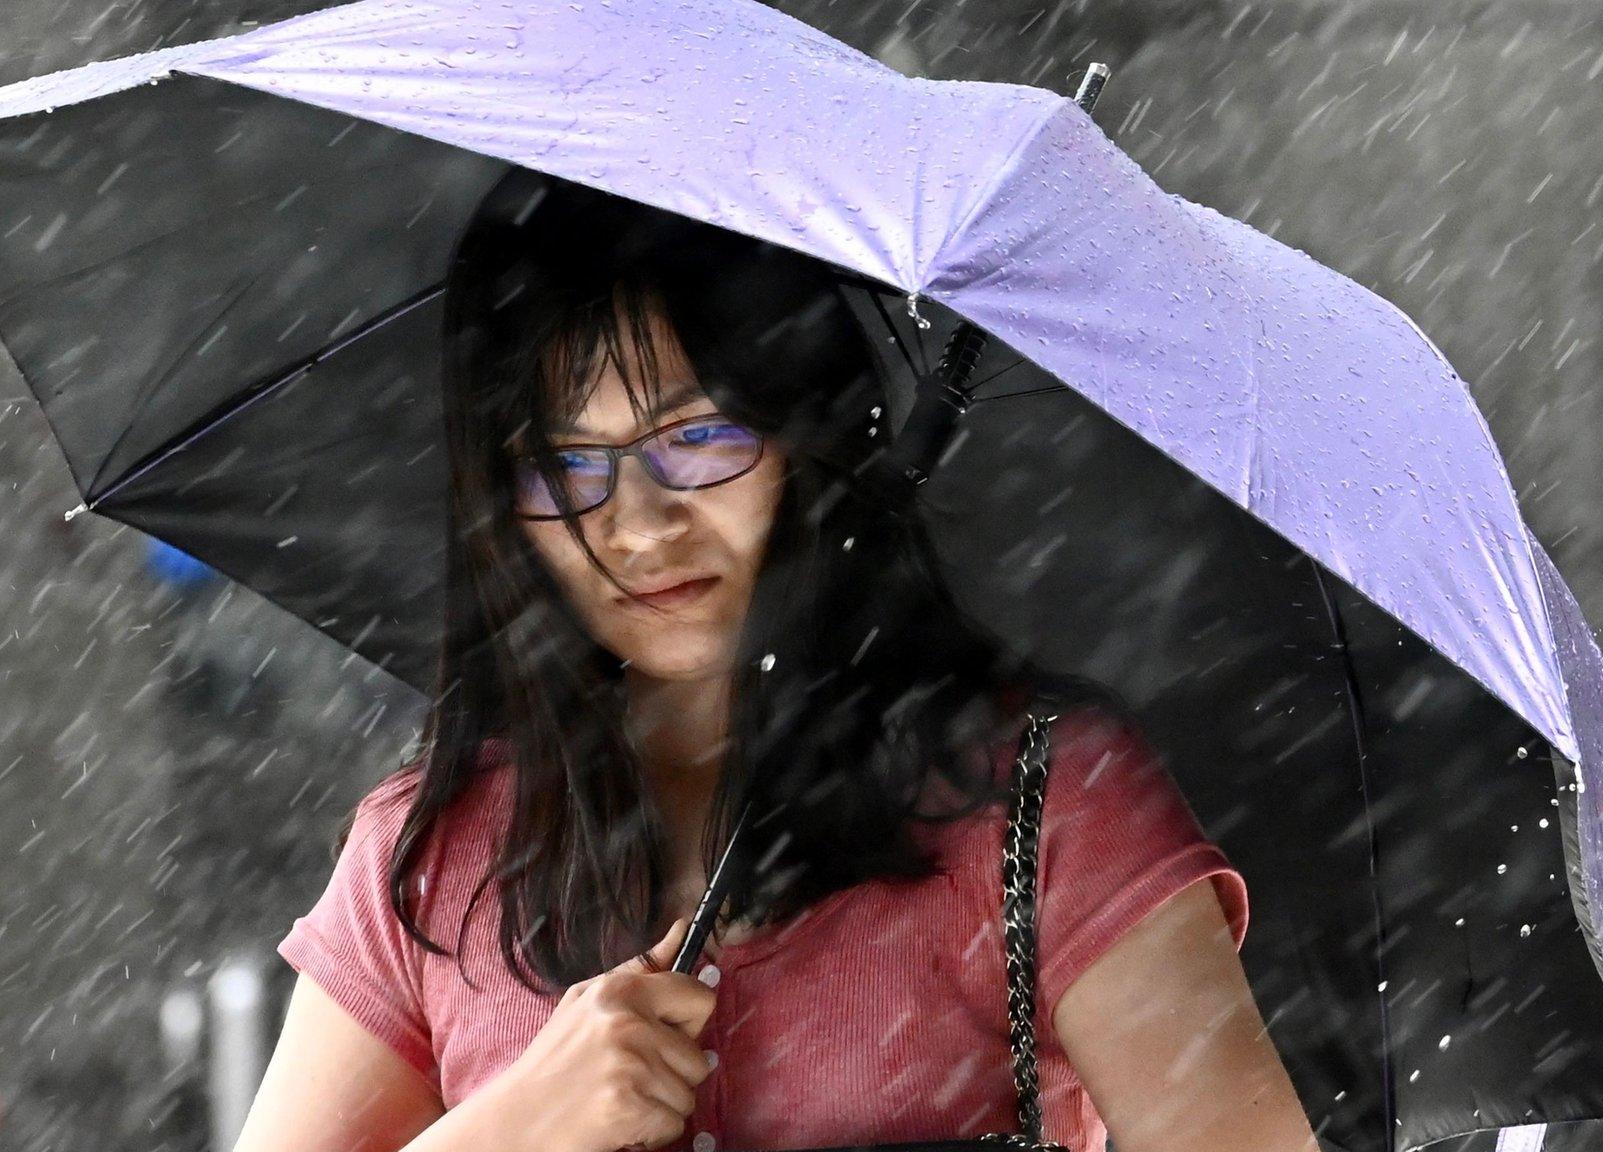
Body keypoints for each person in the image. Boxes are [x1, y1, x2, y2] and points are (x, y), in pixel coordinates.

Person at [233, 170, 1319, 1152]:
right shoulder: (428, 858)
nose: (638, 524)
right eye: (565, 462)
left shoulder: (1042, 806)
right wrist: (512, 1130)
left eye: (698, 436)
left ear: (811, 441)